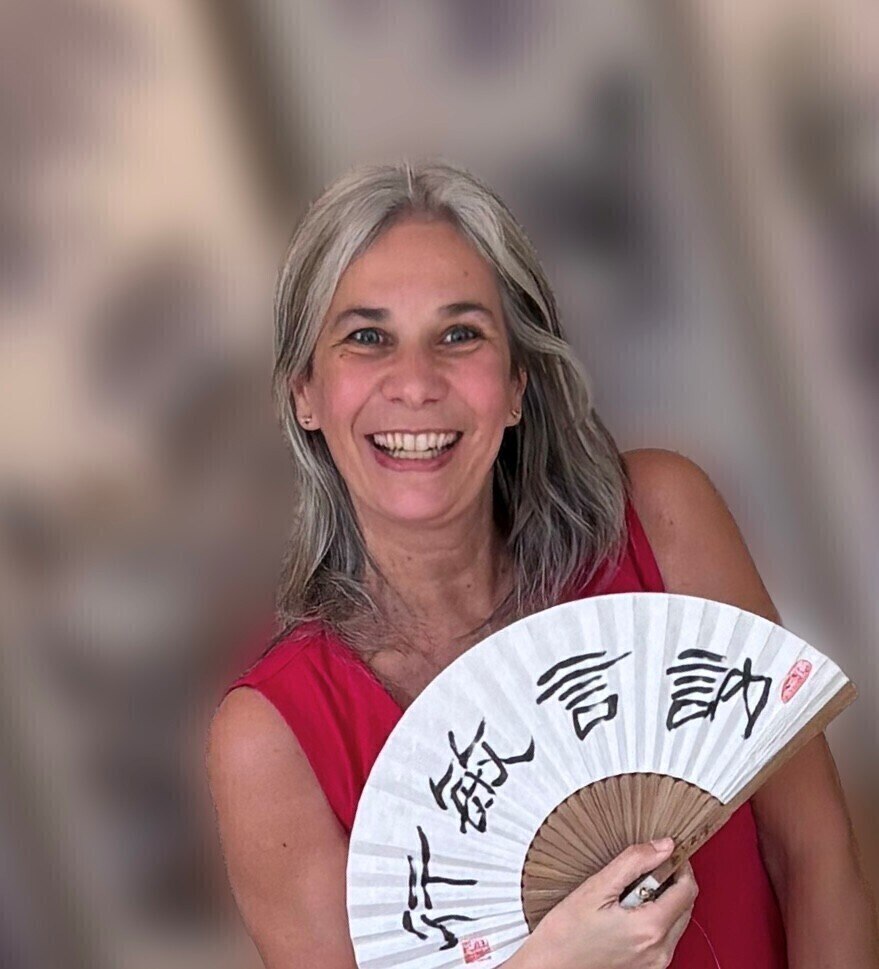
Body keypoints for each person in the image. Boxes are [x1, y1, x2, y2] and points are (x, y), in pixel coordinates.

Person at [206, 160, 878, 969]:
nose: (414, 383)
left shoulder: (662, 526)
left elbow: (816, 859)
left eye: (460, 334)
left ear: (517, 383)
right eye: (367, 338)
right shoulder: (272, 738)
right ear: (304, 393)